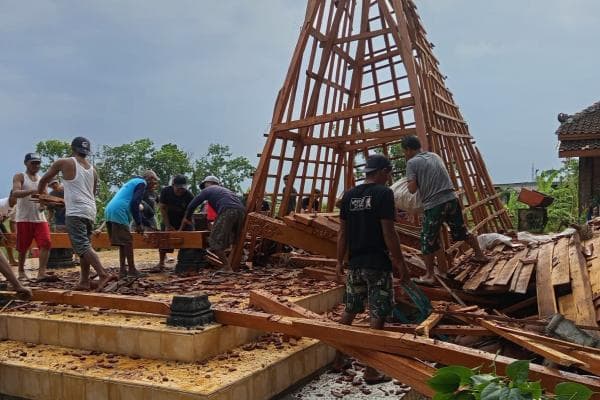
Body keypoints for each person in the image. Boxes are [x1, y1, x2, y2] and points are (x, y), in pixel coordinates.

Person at [335, 154, 408, 383]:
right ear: (382, 171)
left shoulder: (349, 195)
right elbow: (389, 232)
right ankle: (371, 370)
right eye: (389, 173)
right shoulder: (384, 193)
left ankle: (339, 358)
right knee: (378, 313)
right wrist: (400, 262)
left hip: (355, 264)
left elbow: (343, 233)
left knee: (350, 309)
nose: (389, 178)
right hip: (377, 263)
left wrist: (339, 261)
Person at [401, 135, 489, 284]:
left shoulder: (412, 163)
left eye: (405, 151)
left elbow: (412, 189)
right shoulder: (434, 156)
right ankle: (479, 254)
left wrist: (407, 182)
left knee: (427, 239)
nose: (405, 154)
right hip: (451, 199)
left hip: (435, 204)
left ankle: (429, 276)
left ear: (409, 150)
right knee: (461, 230)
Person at [38, 137, 115, 291]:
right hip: (90, 210)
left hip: (75, 212)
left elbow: (44, 180)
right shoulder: (93, 170)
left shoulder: (64, 162)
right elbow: (91, 194)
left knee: (81, 245)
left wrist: (42, 197)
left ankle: (103, 274)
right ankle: (84, 281)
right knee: (84, 246)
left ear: (72, 148)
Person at [181, 176, 245, 272]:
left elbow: (192, 204)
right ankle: (235, 264)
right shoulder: (225, 191)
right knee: (235, 240)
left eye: (204, 185)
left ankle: (227, 267)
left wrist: (187, 217)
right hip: (241, 211)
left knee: (214, 241)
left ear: (209, 183)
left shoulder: (209, 189)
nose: (204, 187)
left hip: (228, 211)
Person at [104, 170, 159, 278]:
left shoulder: (132, 182)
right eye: (154, 181)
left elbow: (136, 208)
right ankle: (132, 270)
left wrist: (145, 223)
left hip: (110, 210)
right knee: (128, 242)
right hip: (119, 211)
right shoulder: (142, 183)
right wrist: (139, 224)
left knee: (123, 243)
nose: (155, 184)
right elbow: (134, 203)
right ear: (150, 178)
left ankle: (123, 271)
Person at [12, 153, 52, 280]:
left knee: (46, 243)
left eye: (38, 163)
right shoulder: (20, 176)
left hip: (40, 218)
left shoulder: (42, 180)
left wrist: (44, 204)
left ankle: (41, 273)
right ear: (26, 163)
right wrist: (32, 191)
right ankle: (21, 271)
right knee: (23, 247)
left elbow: (44, 197)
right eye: (33, 163)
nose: (36, 165)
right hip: (24, 218)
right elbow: (16, 192)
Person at [156, 174, 194, 270]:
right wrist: (168, 226)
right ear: (173, 185)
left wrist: (180, 230)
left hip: (184, 220)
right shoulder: (165, 191)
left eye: (182, 188)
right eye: (178, 188)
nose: (180, 191)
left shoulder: (189, 196)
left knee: (188, 240)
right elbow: (163, 208)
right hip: (169, 219)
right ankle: (161, 263)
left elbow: (187, 215)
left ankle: (184, 263)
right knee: (164, 241)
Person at [0, 193, 18, 266]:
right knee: (2, 240)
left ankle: (11, 260)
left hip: (0, 223)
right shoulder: (2, 204)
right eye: (17, 197)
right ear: (11, 196)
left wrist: (14, 234)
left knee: (8, 238)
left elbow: (12, 221)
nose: (18, 200)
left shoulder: (16, 207)